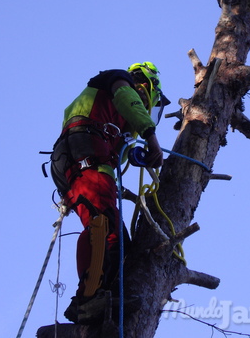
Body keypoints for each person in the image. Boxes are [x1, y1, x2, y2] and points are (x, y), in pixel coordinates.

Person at [49, 62, 169, 324]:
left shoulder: (112, 121)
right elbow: (127, 99)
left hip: (80, 160)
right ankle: (88, 300)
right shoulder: (119, 81)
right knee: (104, 226)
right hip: (85, 153)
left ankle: (102, 294)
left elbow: (121, 156)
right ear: (145, 87)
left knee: (115, 236)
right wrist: (151, 138)